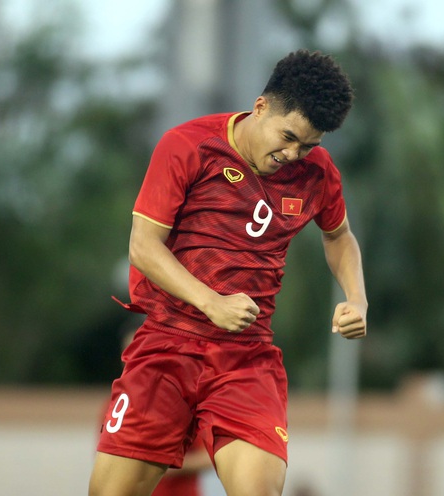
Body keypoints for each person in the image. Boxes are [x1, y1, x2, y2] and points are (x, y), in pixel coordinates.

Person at [89, 49, 368, 496]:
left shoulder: (318, 174)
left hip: (245, 358)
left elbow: (339, 237)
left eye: (308, 145)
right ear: (260, 107)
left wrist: (357, 299)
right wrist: (211, 302)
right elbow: (143, 247)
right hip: (166, 345)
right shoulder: (188, 145)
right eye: (288, 136)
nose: (294, 154)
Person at [95, 324, 213, 496]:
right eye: (130, 354)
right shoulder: (114, 403)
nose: (135, 361)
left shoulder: (185, 401)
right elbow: (106, 460)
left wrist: (157, 463)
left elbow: (208, 458)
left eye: (142, 354)